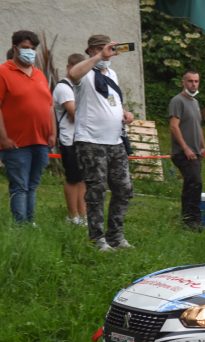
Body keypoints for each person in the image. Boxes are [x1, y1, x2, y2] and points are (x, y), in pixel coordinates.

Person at [68, 35, 134, 251]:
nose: (109, 53)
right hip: (91, 141)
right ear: (92, 50)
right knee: (96, 189)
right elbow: (73, 74)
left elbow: (109, 101)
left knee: (123, 187)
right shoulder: (85, 72)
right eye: (104, 49)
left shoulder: (111, 73)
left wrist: (124, 113)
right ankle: (97, 239)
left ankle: (116, 235)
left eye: (111, 49)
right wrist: (97, 57)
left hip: (115, 141)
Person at [0, 30, 56, 224]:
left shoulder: (39, 74)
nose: (30, 52)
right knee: (20, 186)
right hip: (16, 142)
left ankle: (30, 222)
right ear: (15, 48)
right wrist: (3, 137)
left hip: (41, 141)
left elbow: (49, 106)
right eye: (25, 48)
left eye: (33, 49)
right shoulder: (3, 72)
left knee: (32, 185)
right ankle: (20, 226)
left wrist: (52, 133)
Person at [169, 70, 205, 229]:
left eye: (196, 81)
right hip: (183, 153)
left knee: (193, 184)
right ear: (183, 82)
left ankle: (191, 220)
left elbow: (198, 125)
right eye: (190, 81)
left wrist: (203, 145)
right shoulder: (177, 101)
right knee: (194, 183)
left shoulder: (195, 102)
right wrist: (186, 148)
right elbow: (173, 126)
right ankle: (191, 221)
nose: (193, 84)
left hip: (196, 152)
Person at [53, 53, 87, 226]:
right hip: (69, 139)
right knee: (73, 178)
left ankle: (83, 214)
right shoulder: (63, 87)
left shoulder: (80, 87)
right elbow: (75, 114)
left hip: (82, 138)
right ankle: (72, 215)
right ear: (69, 67)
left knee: (82, 179)